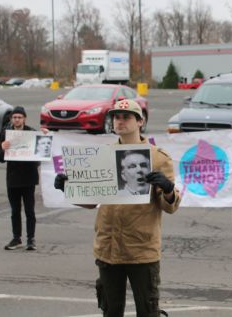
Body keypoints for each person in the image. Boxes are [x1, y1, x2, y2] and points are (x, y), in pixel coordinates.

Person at [54, 99, 181, 317]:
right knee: (111, 310)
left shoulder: (157, 158)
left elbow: (169, 207)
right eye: (116, 117)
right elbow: (92, 201)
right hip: (108, 247)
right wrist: (68, 188)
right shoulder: (103, 156)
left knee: (147, 310)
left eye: (126, 117)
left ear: (140, 121)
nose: (119, 121)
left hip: (141, 249)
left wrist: (168, 189)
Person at [0, 106, 47, 251]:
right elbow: (0, 158)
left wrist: (45, 136)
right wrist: (3, 148)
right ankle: (16, 238)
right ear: (11, 119)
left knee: (29, 211)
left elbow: (41, 153)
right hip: (12, 178)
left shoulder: (31, 133)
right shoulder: (7, 133)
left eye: (19, 117)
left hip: (28, 177)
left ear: (24, 118)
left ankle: (31, 239)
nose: (17, 119)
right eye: (14, 117)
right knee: (15, 211)